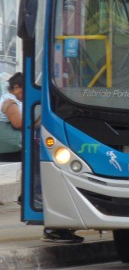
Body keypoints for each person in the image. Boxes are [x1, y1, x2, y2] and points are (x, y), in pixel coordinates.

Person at [1, 72, 84, 243]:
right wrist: (41, 123)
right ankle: (35, 196)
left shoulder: (18, 101)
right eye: (25, 89)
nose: (27, 94)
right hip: (12, 146)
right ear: (16, 88)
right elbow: (19, 123)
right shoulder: (9, 101)